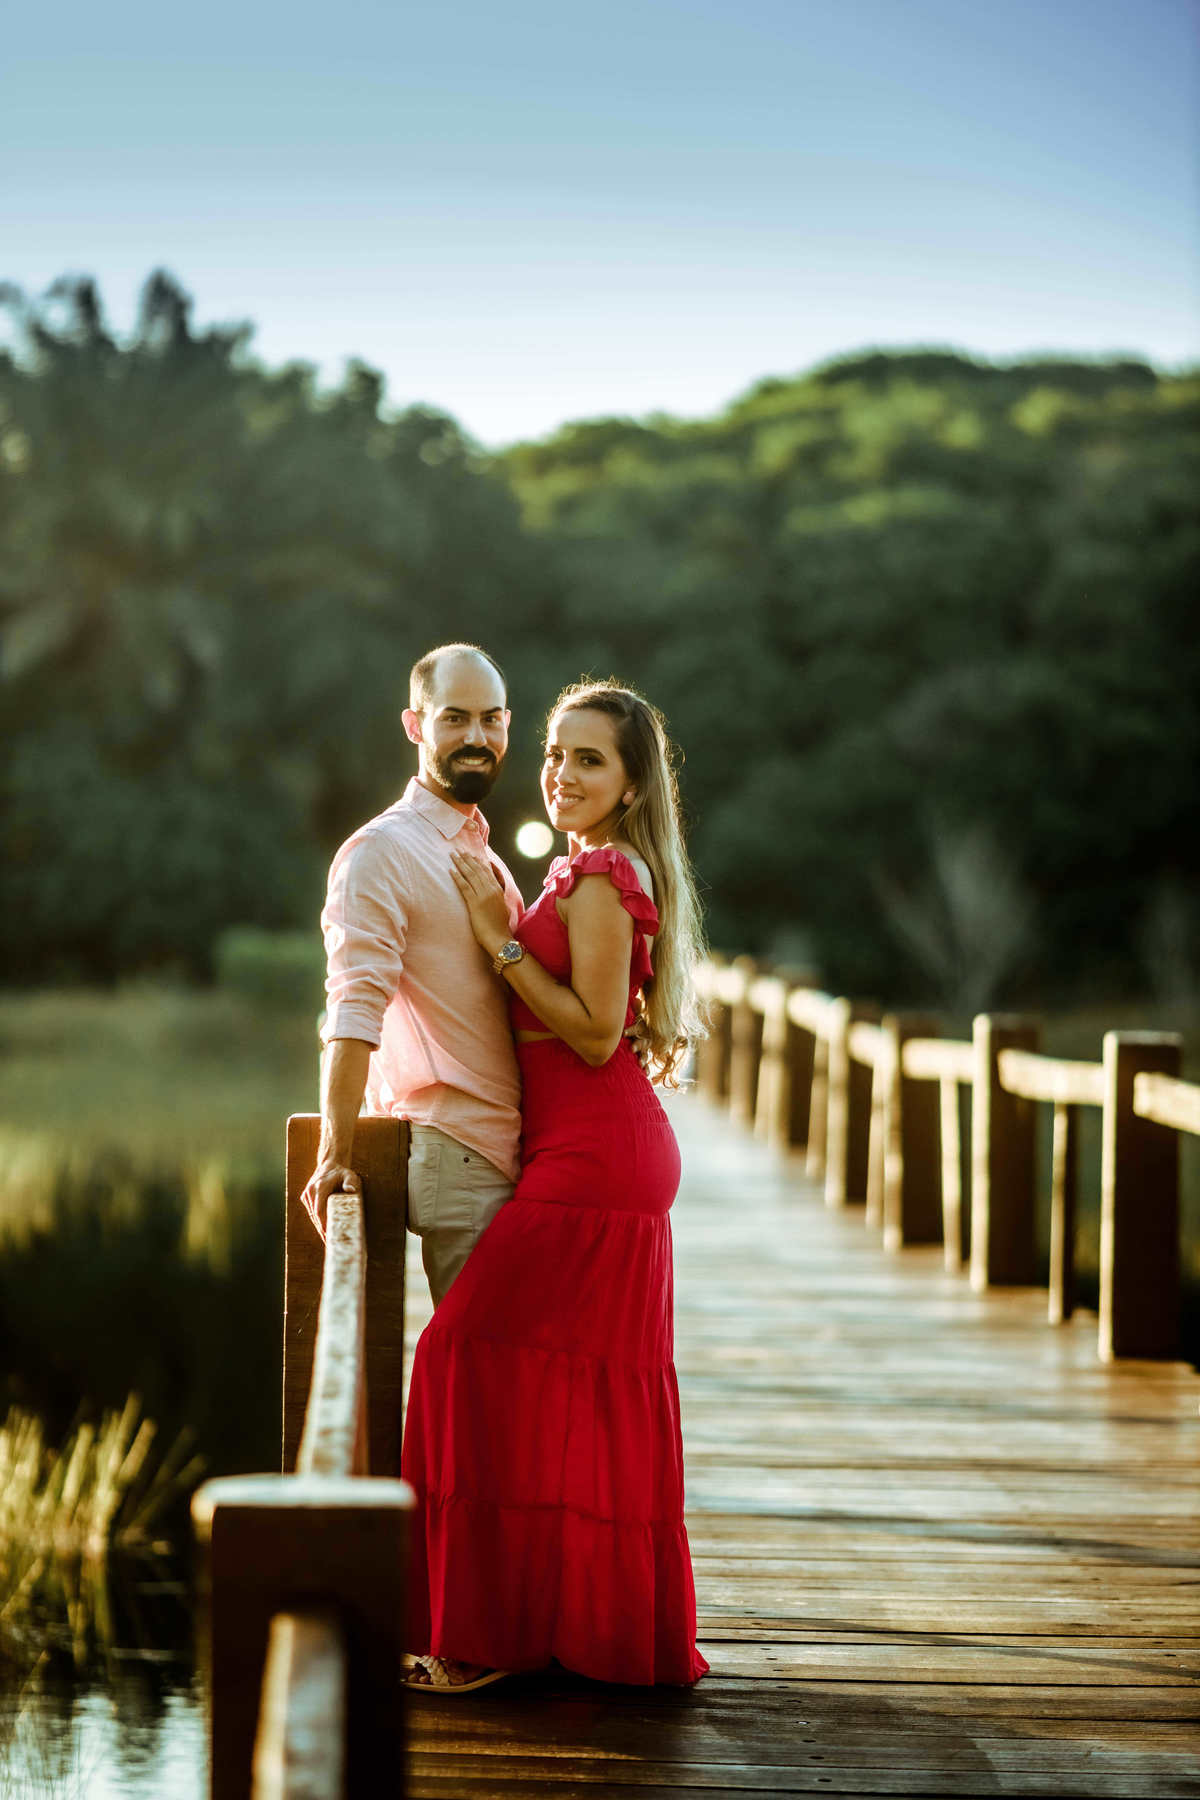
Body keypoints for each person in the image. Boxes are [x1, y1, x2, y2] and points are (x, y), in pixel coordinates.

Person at [402, 678, 710, 1692]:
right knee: (563, 1392)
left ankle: (485, 1638)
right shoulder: (580, 869)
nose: (560, 773)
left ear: (631, 785)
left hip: (598, 1160)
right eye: (553, 753)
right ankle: (561, 1631)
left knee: (460, 1351)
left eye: (589, 759)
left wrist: (497, 938)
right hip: (582, 1153)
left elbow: (593, 1033)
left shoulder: (605, 876)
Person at [301, 644, 524, 1308]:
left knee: (499, 1360)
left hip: (508, 1150)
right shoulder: (383, 851)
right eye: (454, 718)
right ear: (414, 725)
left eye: (490, 718)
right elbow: (353, 1006)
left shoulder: (478, 848)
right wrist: (334, 1152)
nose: (476, 737)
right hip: (461, 1156)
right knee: (477, 1359)